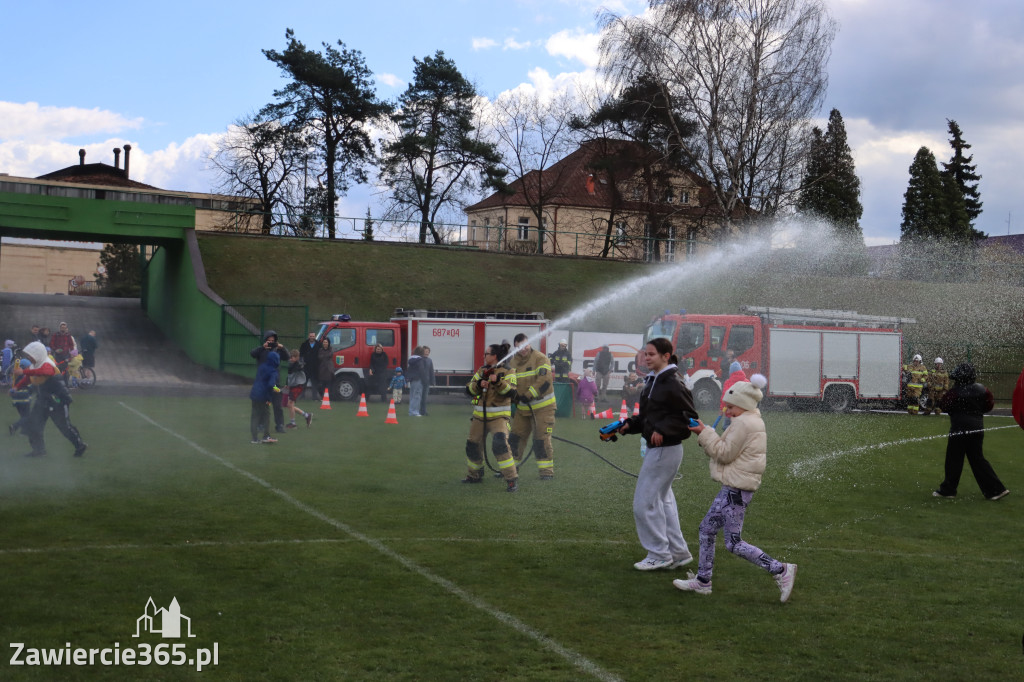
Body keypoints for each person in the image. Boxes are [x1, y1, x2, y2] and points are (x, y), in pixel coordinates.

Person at [674, 376, 798, 602]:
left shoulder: (744, 423)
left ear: (743, 404)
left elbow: (723, 453)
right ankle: (703, 581)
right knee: (707, 529)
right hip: (734, 488)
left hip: (736, 490)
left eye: (730, 407)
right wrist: (704, 431)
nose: (726, 411)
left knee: (733, 542)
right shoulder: (750, 419)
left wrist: (703, 432)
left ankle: (781, 570)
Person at [616, 338, 698, 571]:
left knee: (644, 503)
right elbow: (647, 419)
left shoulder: (672, 382)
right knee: (663, 502)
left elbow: (689, 417)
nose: (646, 357)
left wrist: (664, 430)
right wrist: (628, 425)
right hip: (660, 450)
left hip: (665, 450)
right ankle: (678, 553)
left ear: (666, 356)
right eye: (645, 354)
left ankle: (659, 553)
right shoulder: (653, 381)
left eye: (651, 354)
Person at [933, 363, 1009, 501]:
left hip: (959, 429)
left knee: (954, 459)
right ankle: (996, 490)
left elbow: (944, 406)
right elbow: (988, 405)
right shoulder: (982, 389)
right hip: (978, 428)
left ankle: (948, 490)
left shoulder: (954, 392)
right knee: (977, 459)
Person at [13, 341, 87, 458]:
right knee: (34, 424)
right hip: (43, 399)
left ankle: (80, 445)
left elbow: (45, 372)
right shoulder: (34, 366)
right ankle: (39, 450)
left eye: (30, 355)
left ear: (37, 354)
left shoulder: (47, 363)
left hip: (58, 399)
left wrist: (23, 371)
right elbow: (29, 378)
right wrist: (16, 387)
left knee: (64, 426)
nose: (29, 358)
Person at [462, 342, 519, 492]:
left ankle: (511, 479)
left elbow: (512, 392)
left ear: (494, 356)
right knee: (472, 445)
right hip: (479, 418)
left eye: (487, 354)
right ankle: (474, 475)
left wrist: (498, 382)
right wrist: (479, 384)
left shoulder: (508, 371)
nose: (484, 356)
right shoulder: (482, 370)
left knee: (500, 445)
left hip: (499, 418)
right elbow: (468, 389)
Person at [509, 333, 557, 479]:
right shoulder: (512, 362)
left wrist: (529, 394)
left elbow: (545, 381)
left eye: (525, 345)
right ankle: (511, 470)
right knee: (515, 439)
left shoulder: (540, 358)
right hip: (522, 409)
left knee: (541, 439)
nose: (522, 349)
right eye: (519, 347)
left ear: (529, 343)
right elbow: (509, 382)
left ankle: (546, 472)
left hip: (543, 408)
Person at [251, 330, 289, 433]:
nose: (271, 343)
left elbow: (287, 357)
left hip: (273, 384)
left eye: (273, 341)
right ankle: (261, 424)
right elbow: (253, 353)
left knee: (277, 406)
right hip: (265, 386)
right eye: (269, 341)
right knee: (263, 406)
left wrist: (282, 348)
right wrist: (263, 347)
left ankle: (280, 425)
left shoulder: (278, 351)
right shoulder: (262, 351)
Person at [249, 352, 281, 444]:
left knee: (255, 415)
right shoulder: (273, 371)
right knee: (266, 415)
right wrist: (278, 390)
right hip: (264, 397)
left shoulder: (262, 366)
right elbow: (271, 385)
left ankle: (254, 438)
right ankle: (266, 436)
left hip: (254, 394)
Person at [284, 349, 313, 428]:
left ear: (297, 357)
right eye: (290, 357)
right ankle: (307, 415)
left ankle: (293, 423)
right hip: (293, 386)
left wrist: (301, 364)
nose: (291, 359)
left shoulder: (298, 365)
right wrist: (287, 383)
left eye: (293, 357)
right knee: (289, 405)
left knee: (290, 404)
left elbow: (299, 367)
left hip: (298, 387)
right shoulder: (291, 364)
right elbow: (290, 376)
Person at [719, 361, 749, 431]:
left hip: (730, 412)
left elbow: (725, 397)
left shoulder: (728, 382)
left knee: (725, 426)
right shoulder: (747, 382)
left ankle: (733, 433)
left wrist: (721, 409)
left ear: (731, 372)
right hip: (743, 412)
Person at [298, 332, 320, 398]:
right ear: (308, 336)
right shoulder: (304, 344)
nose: (312, 337)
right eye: (311, 336)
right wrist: (302, 363)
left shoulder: (319, 344)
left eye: (313, 336)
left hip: (315, 367)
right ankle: (302, 396)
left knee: (314, 383)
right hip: (306, 367)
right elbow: (301, 355)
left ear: (315, 336)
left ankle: (315, 397)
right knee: (304, 382)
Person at [406, 347, 425, 417]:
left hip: (412, 379)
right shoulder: (420, 360)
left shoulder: (411, 359)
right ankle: (414, 412)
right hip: (418, 379)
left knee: (412, 396)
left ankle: (411, 411)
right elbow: (421, 370)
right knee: (417, 395)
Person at [418, 346, 435, 416]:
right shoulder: (419, 359)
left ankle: (423, 411)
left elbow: (431, 371)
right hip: (419, 381)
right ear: (422, 352)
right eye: (425, 351)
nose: (427, 353)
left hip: (426, 381)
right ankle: (417, 411)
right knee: (418, 397)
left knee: (424, 398)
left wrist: (433, 381)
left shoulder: (429, 360)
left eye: (428, 352)